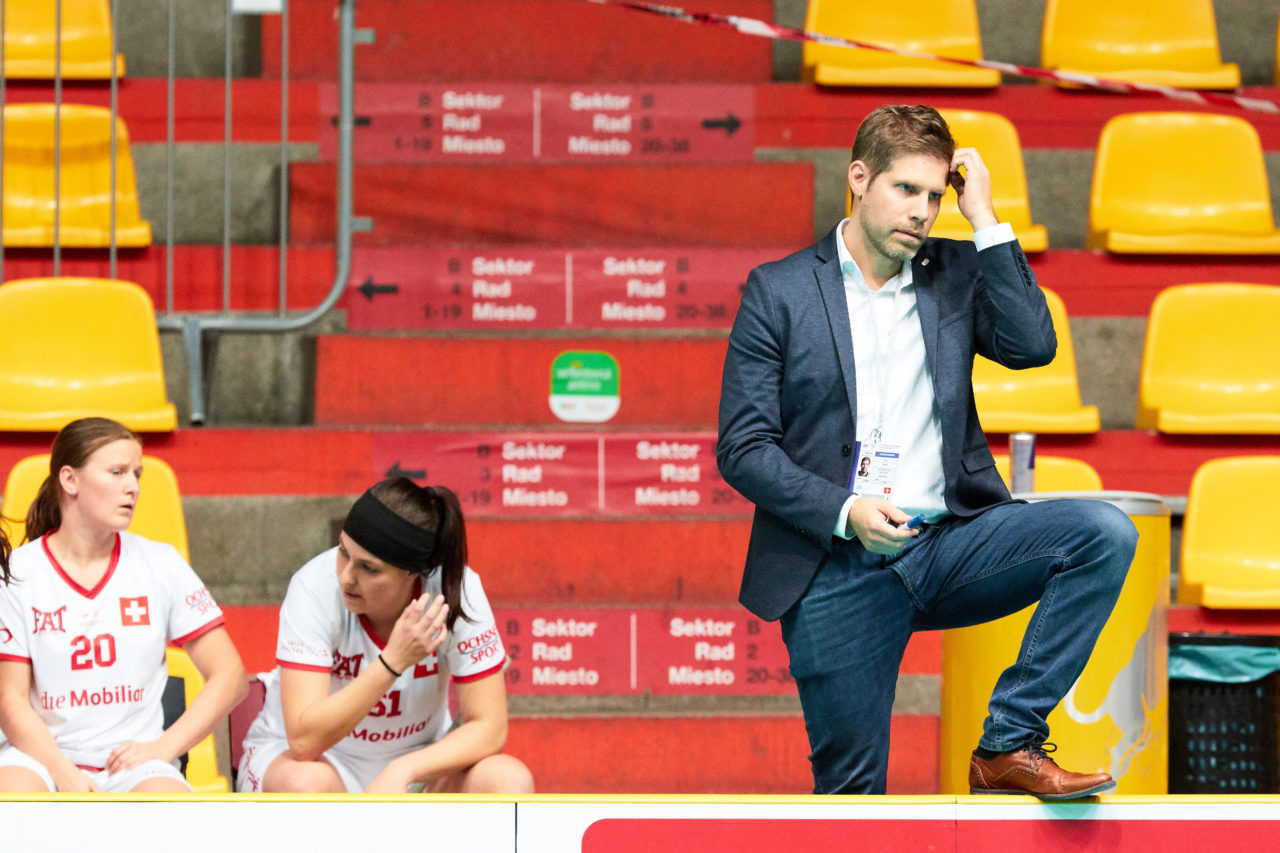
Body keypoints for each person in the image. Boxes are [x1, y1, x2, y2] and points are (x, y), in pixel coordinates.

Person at [716, 104, 1138, 799]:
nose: (922, 211)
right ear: (859, 178)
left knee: (1101, 534)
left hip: (950, 542)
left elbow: (1034, 346)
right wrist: (846, 509)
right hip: (837, 564)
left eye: (935, 195)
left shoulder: (956, 270)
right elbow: (743, 447)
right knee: (853, 794)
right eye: (905, 189)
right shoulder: (781, 290)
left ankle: (1009, 740)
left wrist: (986, 219)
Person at [237, 478, 533, 794]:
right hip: (313, 760)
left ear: (412, 572)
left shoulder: (455, 590)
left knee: (508, 779)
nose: (346, 577)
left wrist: (404, 769)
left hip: (418, 763)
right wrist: (392, 661)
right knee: (305, 784)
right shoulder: (313, 588)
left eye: (369, 568)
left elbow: (489, 728)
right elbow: (303, 742)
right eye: (342, 551)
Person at [0, 417, 247, 793]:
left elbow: (230, 676)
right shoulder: (19, 573)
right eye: (116, 472)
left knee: (173, 812)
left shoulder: (161, 564)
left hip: (134, 764)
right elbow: (10, 699)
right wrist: (64, 774)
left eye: (136, 474)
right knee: (12, 799)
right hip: (38, 757)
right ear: (70, 481)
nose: (132, 487)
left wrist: (164, 748)